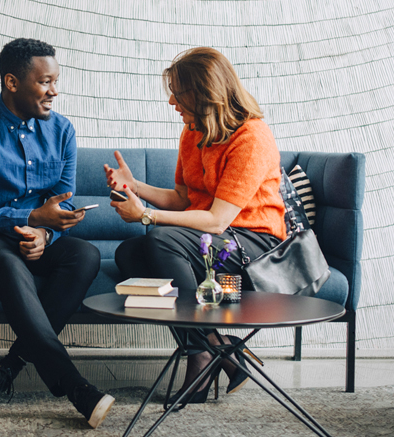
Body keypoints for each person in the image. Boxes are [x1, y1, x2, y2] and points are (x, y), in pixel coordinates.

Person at [0, 38, 114, 428]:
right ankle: (74, 387)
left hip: (33, 234)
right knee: (7, 263)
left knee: (84, 255)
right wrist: (33, 217)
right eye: (45, 82)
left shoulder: (63, 130)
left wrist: (46, 235)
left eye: (56, 81)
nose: (54, 91)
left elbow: (64, 202)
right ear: (12, 82)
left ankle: (7, 369)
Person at [104, 47, 286, 407]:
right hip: (209, 239)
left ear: (206, 93)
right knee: (130, 254)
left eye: (179, 92)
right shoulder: (193, 131)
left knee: (160, 240)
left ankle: (200, 355)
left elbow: (218, 220)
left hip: (253, 243)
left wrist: (145, 215)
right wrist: (135, 186)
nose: (172, 100)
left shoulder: (251, 137)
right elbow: (184, 199)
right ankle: (215, 346)